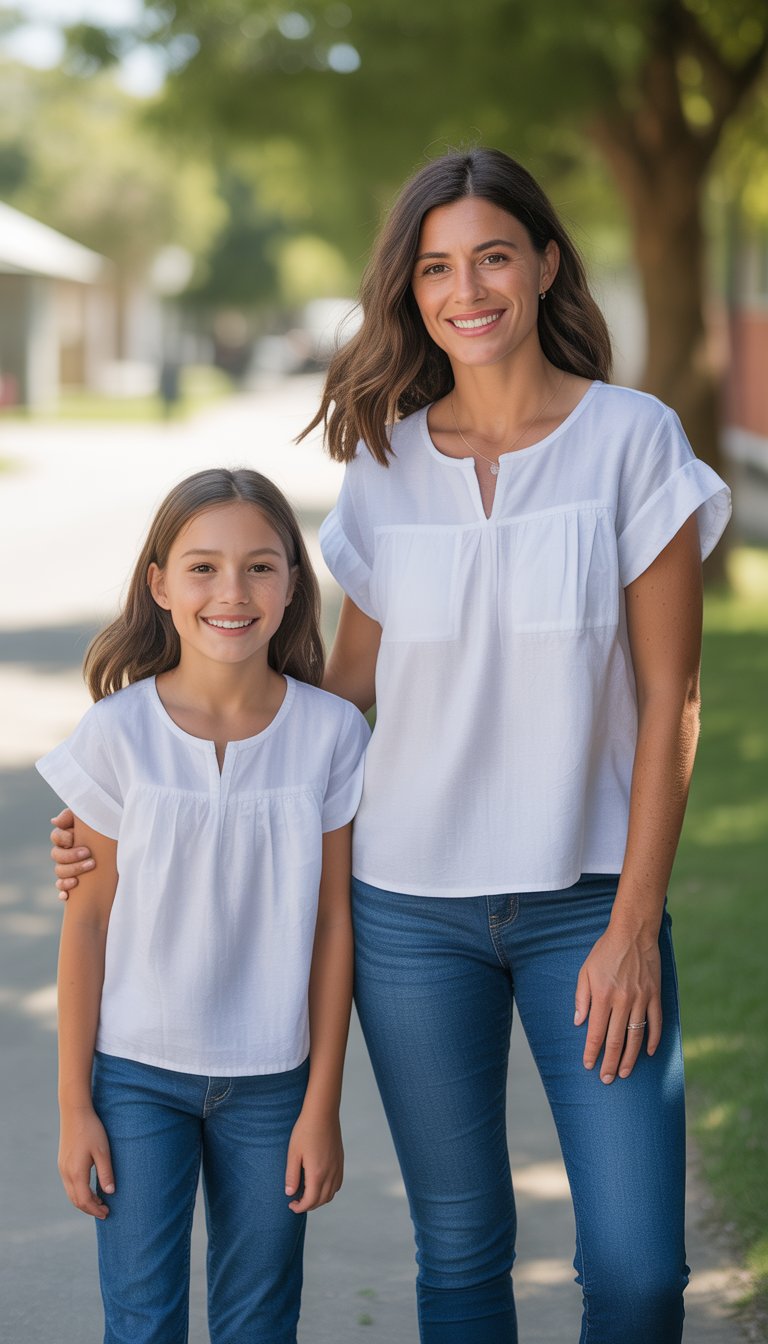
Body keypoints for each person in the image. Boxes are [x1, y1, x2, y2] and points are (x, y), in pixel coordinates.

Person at [51, 148, 731, 1344]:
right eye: (435, 268)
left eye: (493, 257)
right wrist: (129, 794)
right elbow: (334, 686)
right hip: (411, 915)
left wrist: (634, 924)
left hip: (586, 905)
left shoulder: (633, 440)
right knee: (461, 1253)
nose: (466, 289)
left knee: (635, 1270)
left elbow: (673, 690)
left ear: (545, 264)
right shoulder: (385, 462)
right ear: (410, 293)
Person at [38, 468, 369, 1344]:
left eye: (262, 567)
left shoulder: (332, 733)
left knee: (261, 1322)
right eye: (203, 568)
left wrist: (321, 1102)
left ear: (294, 584)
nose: (233, 592)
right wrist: (77, 1107)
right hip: (137, 1078)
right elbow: (89, 922)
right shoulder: (117, 734)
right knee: (142, 1323)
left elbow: (336, 925)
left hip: (274, 1082)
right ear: (159, 583)